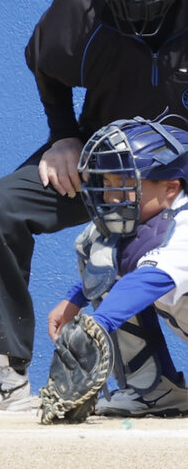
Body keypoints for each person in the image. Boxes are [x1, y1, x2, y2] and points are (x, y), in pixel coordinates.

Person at [0, 0, 188, 414]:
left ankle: (152, 385)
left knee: (126, 251)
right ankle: (5, 372)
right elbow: (45, 65)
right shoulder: (86, 1)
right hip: (105, 164)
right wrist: (64, 135)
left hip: (179, 177)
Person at [47, 116, 188, 417]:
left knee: (127, 285)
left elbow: (146, 280)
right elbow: (114, 267)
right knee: (98, 248)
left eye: (124, 184)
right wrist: (75, 299)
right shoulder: (146, 220)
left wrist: (97, 326)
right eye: (107, 183)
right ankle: (155, 391)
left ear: (170, 187)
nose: (111, 197)